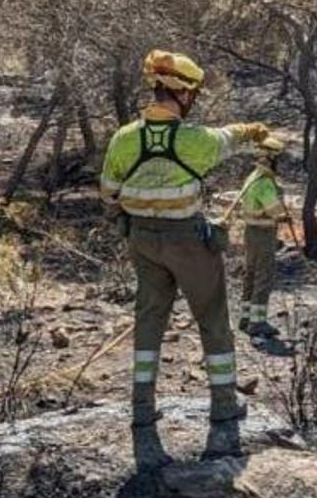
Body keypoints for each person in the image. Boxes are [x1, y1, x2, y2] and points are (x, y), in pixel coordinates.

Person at [100, 49, 268, 456]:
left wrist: (129, 216)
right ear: (186, 94)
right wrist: (254, 131)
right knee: (212, 319)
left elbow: (108, 192)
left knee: (149, 321)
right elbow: (228, 138)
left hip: (142, 241)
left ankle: (142, 409)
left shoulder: (124, 138)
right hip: (189, 242)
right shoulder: (195, 141)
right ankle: (224, 407)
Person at [235, 137, 289, 339]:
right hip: (263, 234)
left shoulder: (253, 176)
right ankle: (257, 323)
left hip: (250, 232)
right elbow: (275, 211)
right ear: (271, 158)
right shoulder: (265, 183)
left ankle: (246, 317)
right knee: (263, 276)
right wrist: (284, 214)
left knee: (250, 274)